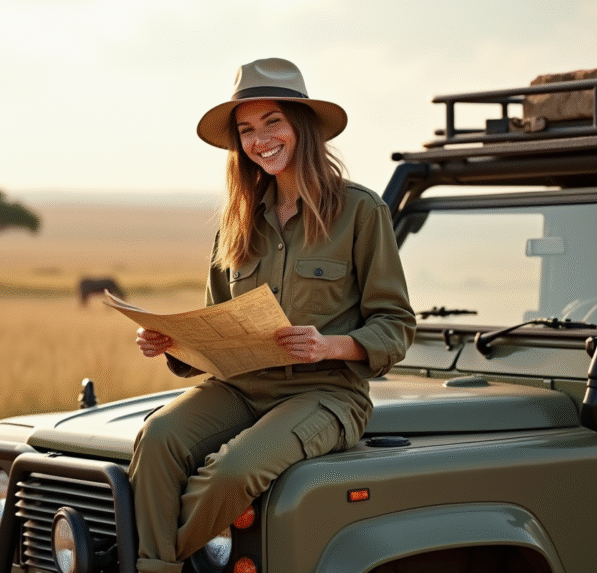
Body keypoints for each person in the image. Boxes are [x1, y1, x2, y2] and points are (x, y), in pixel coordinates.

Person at [128, 57, 416, 573]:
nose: (260, 140)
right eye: (246, 130)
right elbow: (217, 324)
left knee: (233, 472)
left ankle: (152, 562)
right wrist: (172, 343)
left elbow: (396, 325)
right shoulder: (237, 222)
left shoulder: (361, 211)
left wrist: (330, 345)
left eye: (272, 122)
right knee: (157, 439)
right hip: (241, 388)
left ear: (302, 126)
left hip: (326, 393)